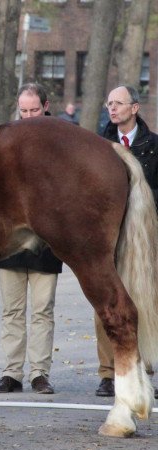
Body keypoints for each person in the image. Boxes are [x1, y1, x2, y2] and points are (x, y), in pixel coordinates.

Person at [0, 83, 63, 395]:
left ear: (46, 106)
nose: (29, 115)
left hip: (45, 239)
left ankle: (39, 373)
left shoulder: (58, 142)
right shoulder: (6, 140)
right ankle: (12, 371)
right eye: (24, 110)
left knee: (43, 310)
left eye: (34, 109)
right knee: (11, 310)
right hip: (9, 238)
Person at [96, 85, 158, 399]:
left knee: (145, 297)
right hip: (110, 234)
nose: (112, 108)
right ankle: (108, 373)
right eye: (109, 104)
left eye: (119, 103)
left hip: (146, 235)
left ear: (134, 108)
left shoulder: (154, 146)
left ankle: (145, 368)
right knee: (105, 300)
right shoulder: (97, 147)